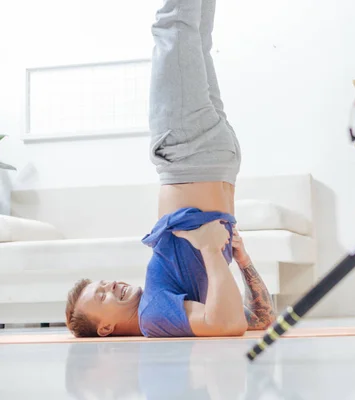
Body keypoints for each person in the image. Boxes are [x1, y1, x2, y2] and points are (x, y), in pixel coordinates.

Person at [64, 0, 275, 338]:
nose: (110, 286)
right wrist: (220, 252)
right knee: (173, 26)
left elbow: (256, 319)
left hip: (212, 156)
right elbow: (235, 323)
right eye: (100, 295)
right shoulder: (152, 316)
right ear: (105, 327)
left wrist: (229, 257)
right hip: (186, 150)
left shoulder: (167, 303)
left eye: (102, 283)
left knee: (193, 33)